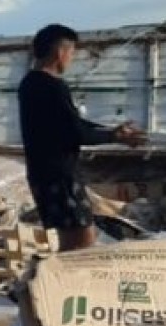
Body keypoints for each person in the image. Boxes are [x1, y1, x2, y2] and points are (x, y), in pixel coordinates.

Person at [17, 23, 146, 251]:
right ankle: (60, 275)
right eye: (71, 53)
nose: (71, 59)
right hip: (59, 175)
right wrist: (115, 137)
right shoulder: (53, 86)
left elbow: (71, 124)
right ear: (60, 52)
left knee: (75, 237)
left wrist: (111, 131)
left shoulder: (29, 84)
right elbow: (75, 132)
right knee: (81, 240)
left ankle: (59, 273)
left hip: (44, 174)